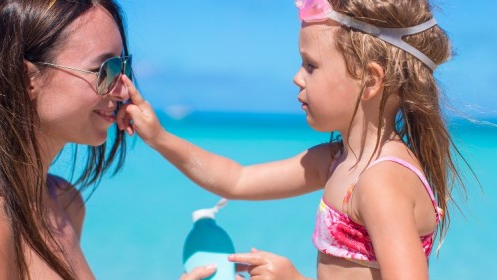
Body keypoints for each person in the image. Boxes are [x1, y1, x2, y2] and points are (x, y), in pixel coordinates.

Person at [116, 0, 469, 279]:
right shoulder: (336, 162)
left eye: (310, 65)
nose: (296, 78)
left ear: (370, 80)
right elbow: (237, 180)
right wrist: (158, 137)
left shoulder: (380, 181)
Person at [0, 0, 133, 279]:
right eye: (105, 69)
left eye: (123, 66)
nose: (124, 90)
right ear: (26, 78)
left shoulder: (66, 203)